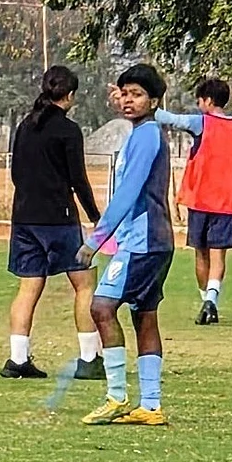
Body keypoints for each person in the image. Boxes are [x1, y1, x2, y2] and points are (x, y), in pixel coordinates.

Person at [77, 64, 173, 426]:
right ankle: (150, 405)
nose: (128, 100)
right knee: (144, 316)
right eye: (124, 93)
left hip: (144, 242)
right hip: (155, 240)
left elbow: (129, 193)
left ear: (154, 101)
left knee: (101, 307)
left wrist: (95, 240)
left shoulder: (147, 135)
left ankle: (116, 396)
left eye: (136, 94)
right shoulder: (143, 133)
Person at [3, 65, 104, 381]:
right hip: (58, 219)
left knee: (29, 285)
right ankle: (89, 358)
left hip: (24, 218)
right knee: (85, 283)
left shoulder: (25, 125)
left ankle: (17, 360)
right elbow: (78, 179)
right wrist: (96, 216)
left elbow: (16, 173)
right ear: (70, 95)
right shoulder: (68, 130)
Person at [153, 78, 232, 324]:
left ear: (208, 101)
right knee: (218, 256)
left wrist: (146, 102)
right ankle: (211, 302)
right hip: (226, 203)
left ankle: (207, 301)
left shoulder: (200, 122)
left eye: (199, 100)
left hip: (200, 201)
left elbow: (171, 119)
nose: (198, 104)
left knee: (201, 255)